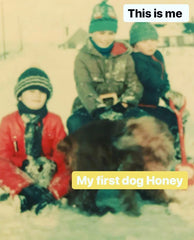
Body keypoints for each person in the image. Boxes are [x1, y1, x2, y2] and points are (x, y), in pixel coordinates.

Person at [67, 0, 144, 134]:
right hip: (90, 109)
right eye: (101, 33)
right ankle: (87, 154)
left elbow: (135, 84)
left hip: (121, 107)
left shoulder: (125, 54)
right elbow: (84, 87)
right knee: (76, 123)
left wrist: (123, 104)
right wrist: (98, 109)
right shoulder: (83, 57)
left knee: (143, 122)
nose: (106, 38)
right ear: (91, 32)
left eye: (110, 33)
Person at [0, 67, 70, 214]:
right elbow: (2, 160)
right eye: (31, 91)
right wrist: (24, 186)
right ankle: (22, 193)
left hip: (47, 176)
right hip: (18, 175)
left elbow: (63, 160)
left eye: (42, 91)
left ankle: (44, 197)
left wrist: (53, 192)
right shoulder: (8, 122)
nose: (37, 95)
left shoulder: (54, 121)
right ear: (20, 96)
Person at [129, 22, 187, 157]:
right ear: (135, 43)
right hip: (138, 106)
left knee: (174, 120)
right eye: (145, 41)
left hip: (152, 105)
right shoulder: (134, 59)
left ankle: (174, 151)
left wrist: (169, 96)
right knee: (153, 128)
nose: (151, 45)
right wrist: (164, 91)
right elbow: (148, 79)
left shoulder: (157, 56)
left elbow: (163, 78)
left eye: (153, 40)